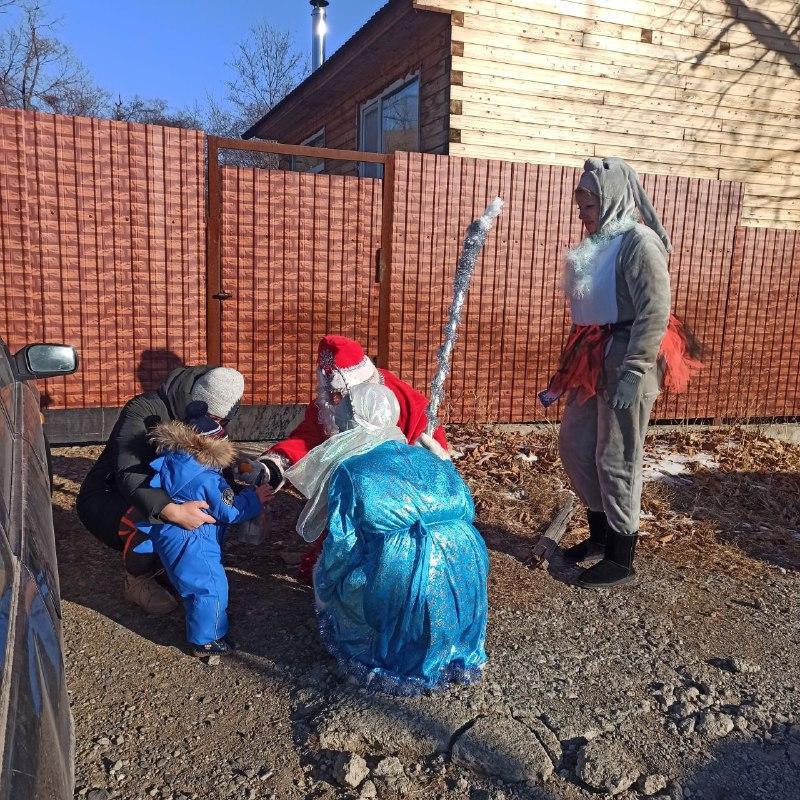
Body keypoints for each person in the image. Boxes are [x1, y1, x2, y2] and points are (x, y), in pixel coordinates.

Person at [540, 157, 701, 589]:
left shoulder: (639, 244)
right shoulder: (600, 241)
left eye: (588, 204)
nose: (581, 212)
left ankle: (621, 555)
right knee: (576, 447)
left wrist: (633, 372)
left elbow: (654, 312)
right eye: (580, 202)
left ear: (611, 200)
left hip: (631, 359)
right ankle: (598, 537)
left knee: (617, 457)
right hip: (596, 358)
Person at [286, 383, 488, 692]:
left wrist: (326, 583)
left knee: (334, 576)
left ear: (352, 420)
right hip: (465, 559)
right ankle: (454, 653)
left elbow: (343, 544)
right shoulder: (428, 457)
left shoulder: (352, 470)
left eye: (340, 420)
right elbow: (466, 509)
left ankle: (384, 661)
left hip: (403, 564)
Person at [258, 335, 449, 583]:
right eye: (330, 394)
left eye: (341, 395)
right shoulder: (325, 405)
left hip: (395, 494)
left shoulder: (400, 399)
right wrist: (277, 463)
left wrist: (426, 465)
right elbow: (308, 439)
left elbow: (429, 446)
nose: (334, 403)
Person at [76, 366, 246, 614]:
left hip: (165, 491)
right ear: (198, 405)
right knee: (153, 518)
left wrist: (241, 495)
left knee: (206, 505)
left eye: (224, 422)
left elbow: (215, 470)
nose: (219, 427)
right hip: (110, 496)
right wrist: (172, 511)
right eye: (217, 420)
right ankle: (137, 578)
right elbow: (129, 472)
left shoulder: (208, 421)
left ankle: (168, 565)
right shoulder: (143, 411)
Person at [138, 401, 270, 656]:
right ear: (211, 448)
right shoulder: (207, 479)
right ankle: (206, 639)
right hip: (194, 539)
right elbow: (230, 510)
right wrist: (255, 498)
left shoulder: (173, 459)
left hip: (168, 533)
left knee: (190, 581)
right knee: (210, 585)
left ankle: (201, 616)